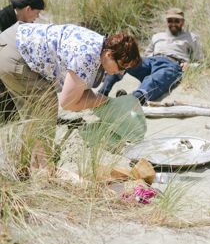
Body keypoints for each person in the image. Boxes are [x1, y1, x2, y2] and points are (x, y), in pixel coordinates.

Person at [0, 22, 140, 172]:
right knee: (45, 106)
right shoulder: (88, 56)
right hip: (15, 53)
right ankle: (42, 171)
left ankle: (28, 165)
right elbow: (67, 103)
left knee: (34, 114)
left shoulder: (99, 46)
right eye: (122, 67)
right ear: (109, 55)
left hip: (13, 42)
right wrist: (103, 101)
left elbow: (81, 91)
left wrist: (101, 101)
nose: (121, 73)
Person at [99, 8, 203, 105]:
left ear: (183, 22)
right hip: (151, 60)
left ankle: (134, 99)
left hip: (171, 63)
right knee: (125, 61)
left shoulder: (191, 37)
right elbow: (147, 53)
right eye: (170, 20)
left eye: (177, 21)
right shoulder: (157, 36)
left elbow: (200, 61)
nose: (173, 23)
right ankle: (102, 93)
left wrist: (190, 65)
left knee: (154, 78)